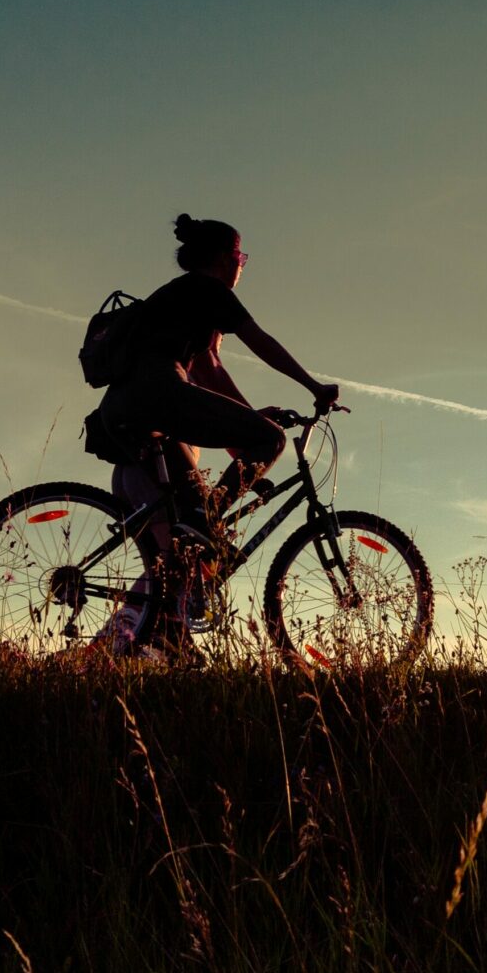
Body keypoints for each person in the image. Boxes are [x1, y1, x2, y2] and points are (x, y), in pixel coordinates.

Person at [87, 214, 340, 654]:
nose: (242, 265)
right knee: (272, 443)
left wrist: (246, 423)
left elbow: (209, 371)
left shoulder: (180, 301)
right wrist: (313, 387)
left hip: (123, 409)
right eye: (241, 257)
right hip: (159, 394)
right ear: (226, 259)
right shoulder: (209, 290)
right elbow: (261, 341)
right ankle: (208, 524)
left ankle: (148, 639)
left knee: (178, 553)